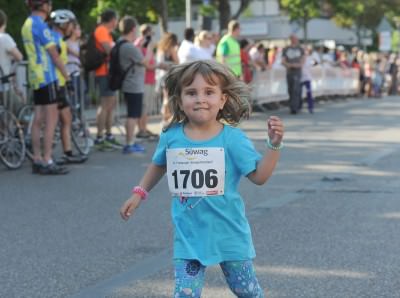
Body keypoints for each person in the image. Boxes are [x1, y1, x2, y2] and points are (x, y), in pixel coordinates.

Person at [120, 60, 284, 297]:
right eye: (191, 93)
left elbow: (260, 177)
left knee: (247, 291)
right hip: (189, 235)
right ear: (179, 99)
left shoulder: (233, 139)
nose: (200, 99)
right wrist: (139, 193)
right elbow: (158, 165)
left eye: (209, 92)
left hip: (228, 233)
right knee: (185, 294)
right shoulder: (171, 136)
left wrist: (274, 145)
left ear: (222, 99)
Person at [22, 0, 70, 175]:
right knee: (51, 120)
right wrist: (67, 76)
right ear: (43, 6)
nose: (50, 6)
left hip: (35, 76)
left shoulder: (27, 24)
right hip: (47, 76)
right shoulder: (40, 26)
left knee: (38, 119)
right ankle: (47, 159)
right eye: (48, 3)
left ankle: (37, 159)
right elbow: (54, 55)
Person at [49, 9, 87, 164]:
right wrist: (67, 78)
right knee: (55, 120)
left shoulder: (58, 39)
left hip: (60, 83)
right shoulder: (55, 39)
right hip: (56, 83)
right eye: (71, 24)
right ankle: (48, 156)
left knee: (66, 118)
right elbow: (57, 61)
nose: (72, 27)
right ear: (63, 24)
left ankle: (68, 152)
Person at [117, 16, 153, 154]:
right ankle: (129, 143)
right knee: (132, 115)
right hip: (133, 85)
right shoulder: (128, 46)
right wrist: (149, 48)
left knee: (132, 114)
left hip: (130, 84)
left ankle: (130, 142)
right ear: (133, 29)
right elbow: (145, 62)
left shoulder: (122, 43)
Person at [93, 9, 121, 150]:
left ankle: (108, 135)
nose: (117, 22)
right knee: (105, 105)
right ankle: (99, 137)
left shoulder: (107, 32)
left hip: (108, 72)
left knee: (110, 105)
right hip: (103, 72)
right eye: (116, 19)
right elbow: (109, 50)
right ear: (112, 19)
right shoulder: (101, 30)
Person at [133, 23, 159, 139]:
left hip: (149, 79)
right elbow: (145, 64)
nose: (153, 35)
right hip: (144, 80)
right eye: (151, 33)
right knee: (143, 106)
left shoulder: (146, 44)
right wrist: (158, 65)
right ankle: (141, 129)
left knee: (147, 106)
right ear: (147, 33)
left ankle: (144, 127)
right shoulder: (140, 44)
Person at [155, 32, 179, 128]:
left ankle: (164, 119)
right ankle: (167, 119)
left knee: (165, 98)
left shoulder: (160, 49)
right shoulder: (171, 49)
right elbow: (177, 62)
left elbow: (159, 63)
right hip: (169, 76)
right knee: (168, 98)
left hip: (162, 77)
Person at [0, 9, 23, 104]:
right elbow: (19, 57)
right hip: (3, 84)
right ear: (4, 22)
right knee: (20, 111)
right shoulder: (4, 38)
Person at [281, 34, 305, 114]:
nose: (294, 40)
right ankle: (293, 105)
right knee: (290, 89)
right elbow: (283, 61)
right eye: (293, 38)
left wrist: (298, 65)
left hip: (297, 72)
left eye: (295, 38)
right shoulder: (286, 49)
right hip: (289, 71)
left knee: (296, 89)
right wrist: (289, 65)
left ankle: (295, 107)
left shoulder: (300, 49)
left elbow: (303, 59)